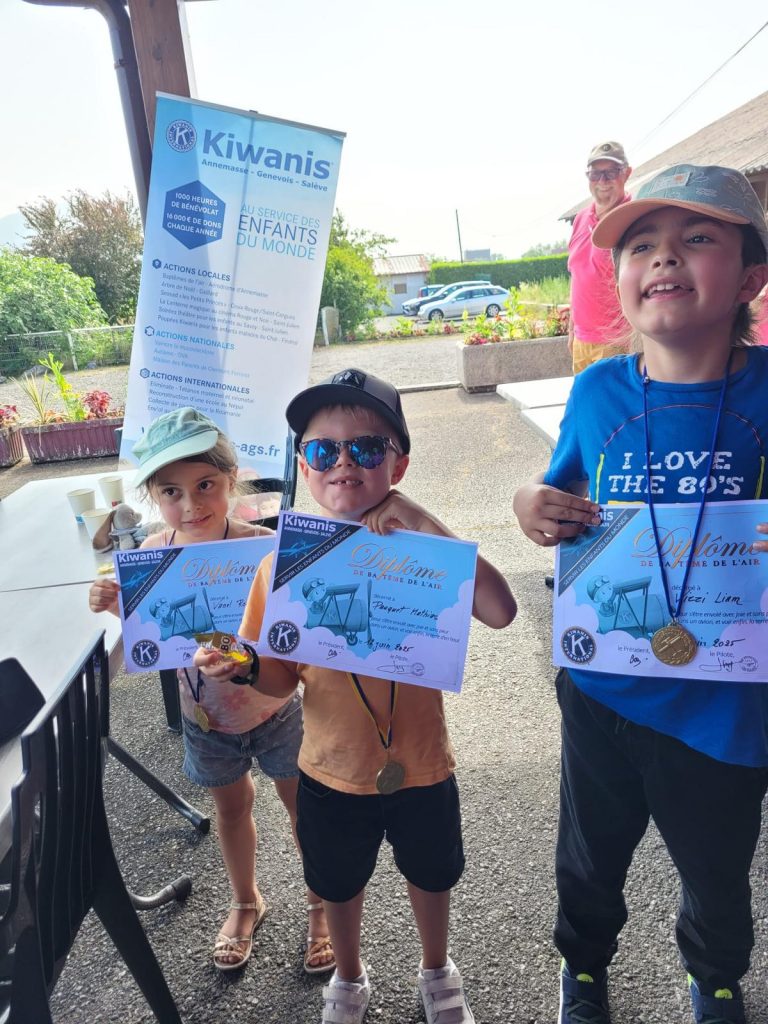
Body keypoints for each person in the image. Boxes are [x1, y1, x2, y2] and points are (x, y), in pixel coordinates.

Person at [513, 165, 768, 1024]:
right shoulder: (598, 392)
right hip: (605, 687)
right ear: (618, 277)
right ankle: (583, 970)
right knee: (588, 860)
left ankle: (717, 979)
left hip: (727, 703)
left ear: (752, 277)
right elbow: (557, 493)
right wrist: (528, 504)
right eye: (640, 245)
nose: (663, 258)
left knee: (717, 868)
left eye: (697, 238)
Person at [196, 368, 517, 1024]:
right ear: (304, 467)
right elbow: (280, 679)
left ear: (398, 466)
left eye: (367, 448)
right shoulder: (280, 565)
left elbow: (501, 610)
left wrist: (423, 521)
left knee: (432, 874)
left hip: (422, 764)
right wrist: (242, 665)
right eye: (323, 450)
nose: (344, 463)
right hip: (329, 769)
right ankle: (347, 975)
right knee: (337, 882)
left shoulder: (426, 550)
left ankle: (437, 968)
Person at [88, 407, 335, 976]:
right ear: (153, 496)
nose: (191, 505)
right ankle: (246, 901)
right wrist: (118, 604)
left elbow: (292, 629)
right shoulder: (154, 554)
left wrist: (244, 645)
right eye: (171, 492)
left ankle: (321, 904)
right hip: (206, 717)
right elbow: (158, 635)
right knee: (231, 809)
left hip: (275, 708)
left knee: (303, 809)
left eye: (205, 485)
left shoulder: (265, 548)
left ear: (231, 480)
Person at [567, 140, 633, 375]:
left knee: (614, 400)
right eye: (596, 174)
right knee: (585, 399)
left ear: (626, 173)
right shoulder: (580, 219)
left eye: (611, 172)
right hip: (581, 341)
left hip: (618, 342)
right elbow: (576, 275)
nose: (602, 181)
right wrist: (572, 328)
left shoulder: (633, 217)